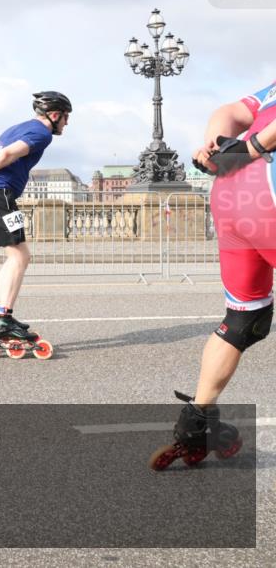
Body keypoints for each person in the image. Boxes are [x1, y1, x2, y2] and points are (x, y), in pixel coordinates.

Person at [151, 80, 275, 469]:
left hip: (231, 192)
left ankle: (197, 424)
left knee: (244, 320)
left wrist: (215, 145)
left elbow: (232, 112)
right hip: (268, 188)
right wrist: (255, 146)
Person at [0, 91, 72, 340]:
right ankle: (4, 318)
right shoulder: (42, 133)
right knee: (21, 255)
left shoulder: (15, 128)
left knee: (15, 254)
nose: (66, 123)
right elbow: (6, 156)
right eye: (65, 117)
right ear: (54, 115)